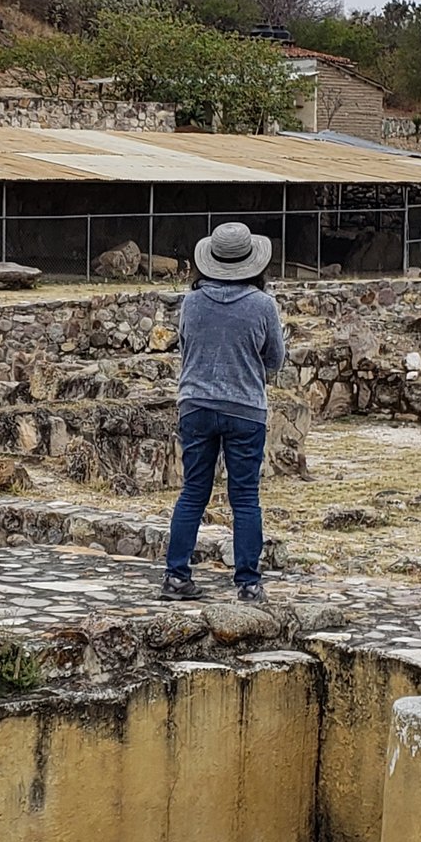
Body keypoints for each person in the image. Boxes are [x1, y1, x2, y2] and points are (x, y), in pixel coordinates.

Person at [163, 221, 288, 603]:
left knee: (194, 492)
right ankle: (248, 581)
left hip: (196, 404)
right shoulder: (262, 305)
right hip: (245, 408)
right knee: (245, 497)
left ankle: (176, 574)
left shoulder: (192, 302)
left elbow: (184, 347)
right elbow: (275, 359)